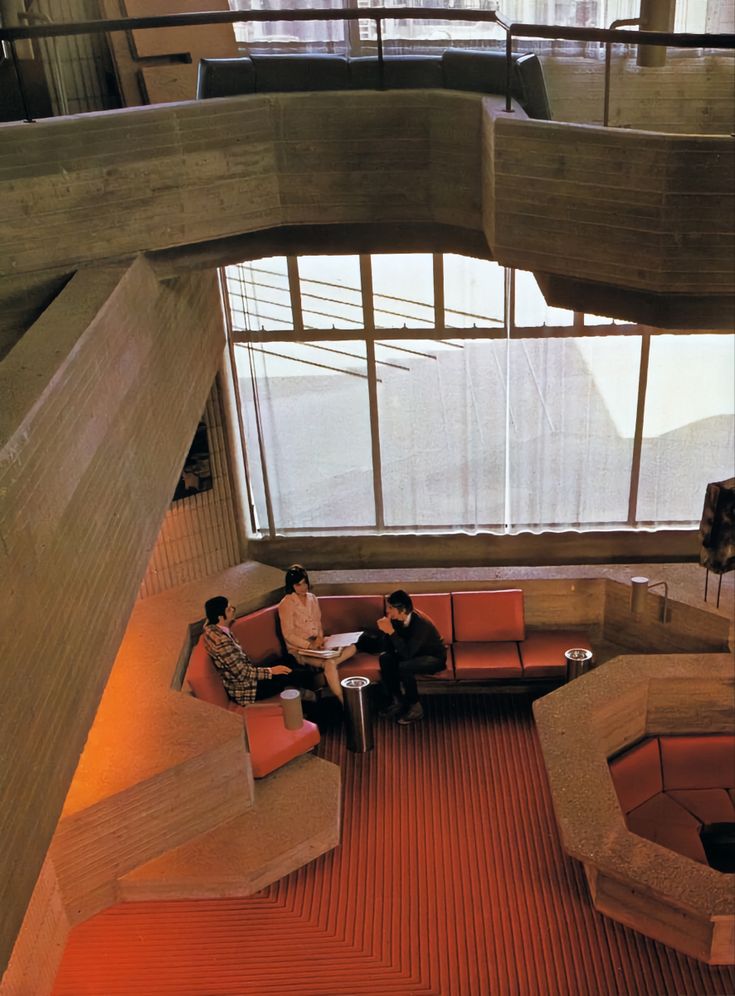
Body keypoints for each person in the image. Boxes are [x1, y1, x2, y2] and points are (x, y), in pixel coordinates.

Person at [203, 595, 306, 705]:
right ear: (220, 617)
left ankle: (305, 688)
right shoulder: (222, 641)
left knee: (288, 659)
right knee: (289, 675)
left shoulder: (212, 629)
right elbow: (243, 674)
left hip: (248, 676)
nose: (233, 609)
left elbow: (206, 623)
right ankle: (312, 695)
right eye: (229, 609)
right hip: (247, 690)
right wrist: (271, 671)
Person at [278, 565, 356, 703]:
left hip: (319, 643)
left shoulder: (312, 598)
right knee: (330, 664)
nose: (303, 587)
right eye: (298, 584)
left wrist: (320, 638)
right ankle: (343, 701)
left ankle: (331, 661)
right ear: (291, 586)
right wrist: (310, 645)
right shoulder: (286, 604)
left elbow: (318, 623)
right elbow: (288, 635)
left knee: (353, 646)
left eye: (305, 583)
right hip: (300, 650)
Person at [377, 589, 446, 725]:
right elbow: (389, 647)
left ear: (403, 610)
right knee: (385, 658)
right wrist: (385, 632)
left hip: (433, 658)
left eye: (390, 608)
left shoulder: (421, 624)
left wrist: (391, 632)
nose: (387, 611)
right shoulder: (396, 620)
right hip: (413, 653)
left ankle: (416, 708)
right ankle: (397, 700)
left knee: (405, 666)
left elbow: (407, 654)